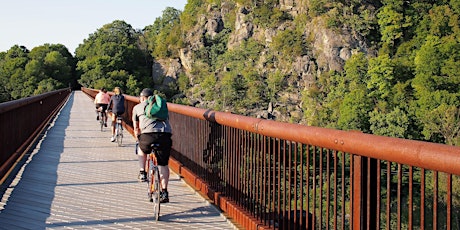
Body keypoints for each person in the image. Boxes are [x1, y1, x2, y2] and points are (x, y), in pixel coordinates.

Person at [132, 88, 173, 203]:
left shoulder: (137, 107)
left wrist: (138, 138)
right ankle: (164, 192)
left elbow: (136, 128)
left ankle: (142, 172)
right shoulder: (161, 106)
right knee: (163, 164)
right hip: (164, 136)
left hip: (147, 136)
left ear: (142, 98)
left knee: (141, 148)